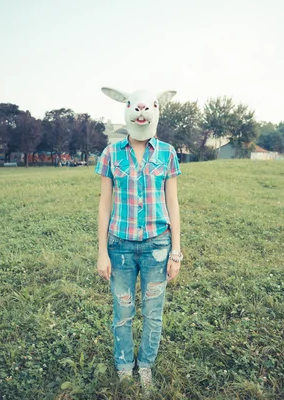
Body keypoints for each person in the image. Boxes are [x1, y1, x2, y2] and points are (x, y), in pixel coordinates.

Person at [95, 87, 183, 393]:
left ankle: (145, 365)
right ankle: (123, 367)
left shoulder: (167, 152)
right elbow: (104, 204)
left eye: (148, 109)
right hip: (119, 246)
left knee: (152, 312)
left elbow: (173, 204)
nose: (142, 114)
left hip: (157, 246)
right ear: (128, 111)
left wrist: (176, 252)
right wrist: (102, 252)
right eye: (136, 109)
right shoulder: (110, 154)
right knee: (122, 310)